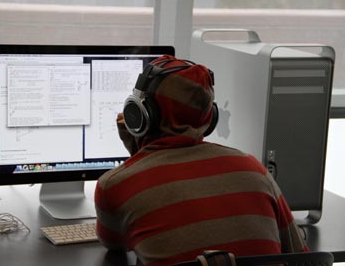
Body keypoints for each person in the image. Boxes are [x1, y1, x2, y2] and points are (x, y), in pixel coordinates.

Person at [94, 55, 308, 266]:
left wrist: (139, 152)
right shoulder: (254, 170)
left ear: (140, 115)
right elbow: (301, 256)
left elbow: (115, 242)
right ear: (209, 117)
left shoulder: (115, 185)